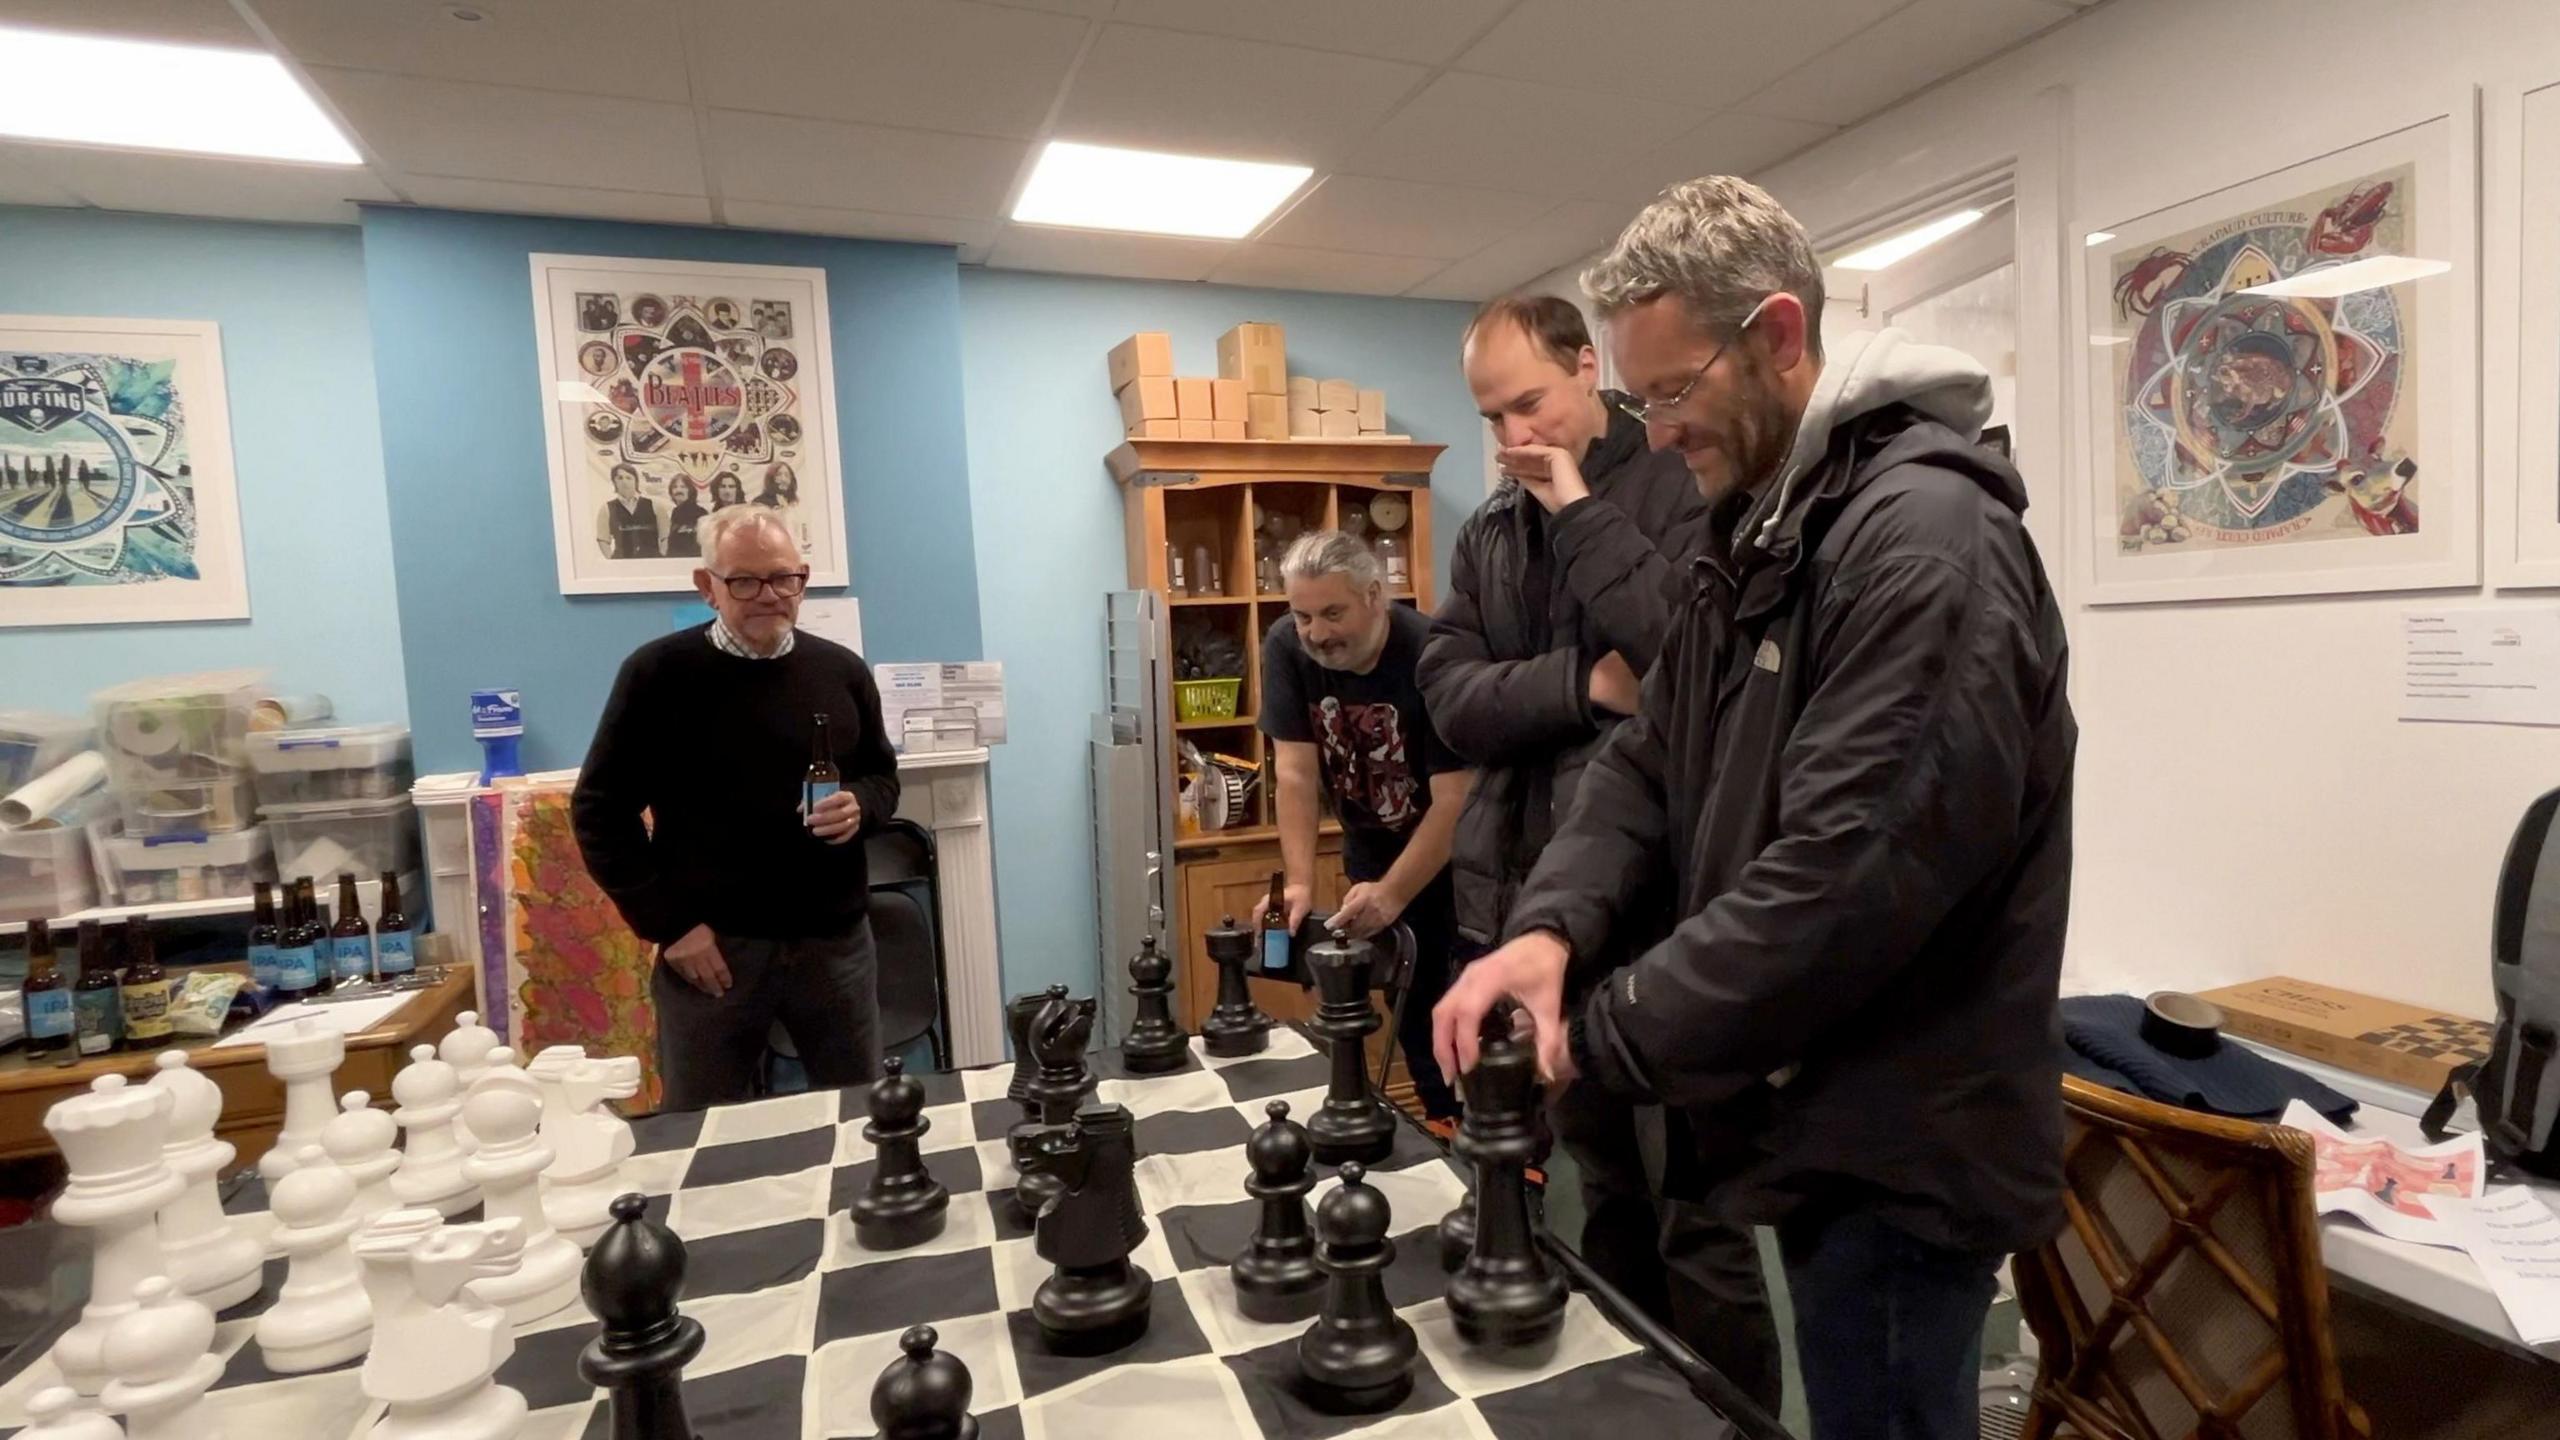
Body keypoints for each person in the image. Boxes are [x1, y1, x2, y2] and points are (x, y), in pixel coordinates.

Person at [1432, 176, 2075, 1440]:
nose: (1656, 433)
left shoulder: (1924, 539)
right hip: (1812, 1104)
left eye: (1671, 392)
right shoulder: (1768, 527)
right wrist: (1553, 927)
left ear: (1779, 336)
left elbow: (1838, 884)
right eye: (1641, 396)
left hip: (1901, 1139)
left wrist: (1599, 1036)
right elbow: (1649, 758)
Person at [1422, 293, 1777, 1411]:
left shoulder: (1681, 484)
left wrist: (1577, 511)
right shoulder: (1486, 530)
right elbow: (1447, 702)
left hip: (1662, 911)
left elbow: (1683, 662)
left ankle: (1725, 1421)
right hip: (1534, 905)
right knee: (1603, 1186)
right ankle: (1633, 1407)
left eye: (1529, 403)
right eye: (1491, 417)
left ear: (1589, 369)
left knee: (1703, 1219)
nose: (1513, 438)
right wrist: (1578, 688)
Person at [572, 505, 900, 1110]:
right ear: (708, 587)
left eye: (783, 579)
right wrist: (669, 927)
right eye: (744, 581)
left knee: (859, 1119)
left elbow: (882, 775)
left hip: (836, 945)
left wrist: (864, 806)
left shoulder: (842, 671)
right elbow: (599, 812)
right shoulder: (657, 675)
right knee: (700, 1134)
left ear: (802, 578)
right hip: (712, 952)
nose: (768, 595)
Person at [1261, 530, 1473, 1119]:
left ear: (1376, 595)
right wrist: (1298, 884)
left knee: (1455, 1011)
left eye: (1333, 612)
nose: (1317, 634)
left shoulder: (1434, 652)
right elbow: (1297, 775)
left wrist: (1397, 893)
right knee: (1408, 1009)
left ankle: (1492, 1164)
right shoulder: (1286, 646)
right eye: (1303, 616)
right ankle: (1441, 1127)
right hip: (1371, 852)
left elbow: (1456, 798)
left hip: (1459, 862)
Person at [595, 464, 660, 560]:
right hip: (623, 563)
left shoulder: (654, 505)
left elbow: (664, 536)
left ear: (636, 481)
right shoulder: (606, 508)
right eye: (620, 478)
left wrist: (661, 558)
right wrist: (612, 561)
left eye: (629, 478)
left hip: (652, 562)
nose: (624, 481)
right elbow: (603, 539)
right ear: (614, 482)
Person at [756, 461, 810, 552]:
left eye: (787, 475)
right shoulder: (760, 503)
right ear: (771, 478)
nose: (783, 479)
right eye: (778, 475)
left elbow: (803, 531)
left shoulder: (797, 503)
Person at [663, 475, 706, 559]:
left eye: (683, 487)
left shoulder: (700, 512)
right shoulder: (675, 512)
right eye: (675, 487)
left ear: (690, 490)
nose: (678, 490)